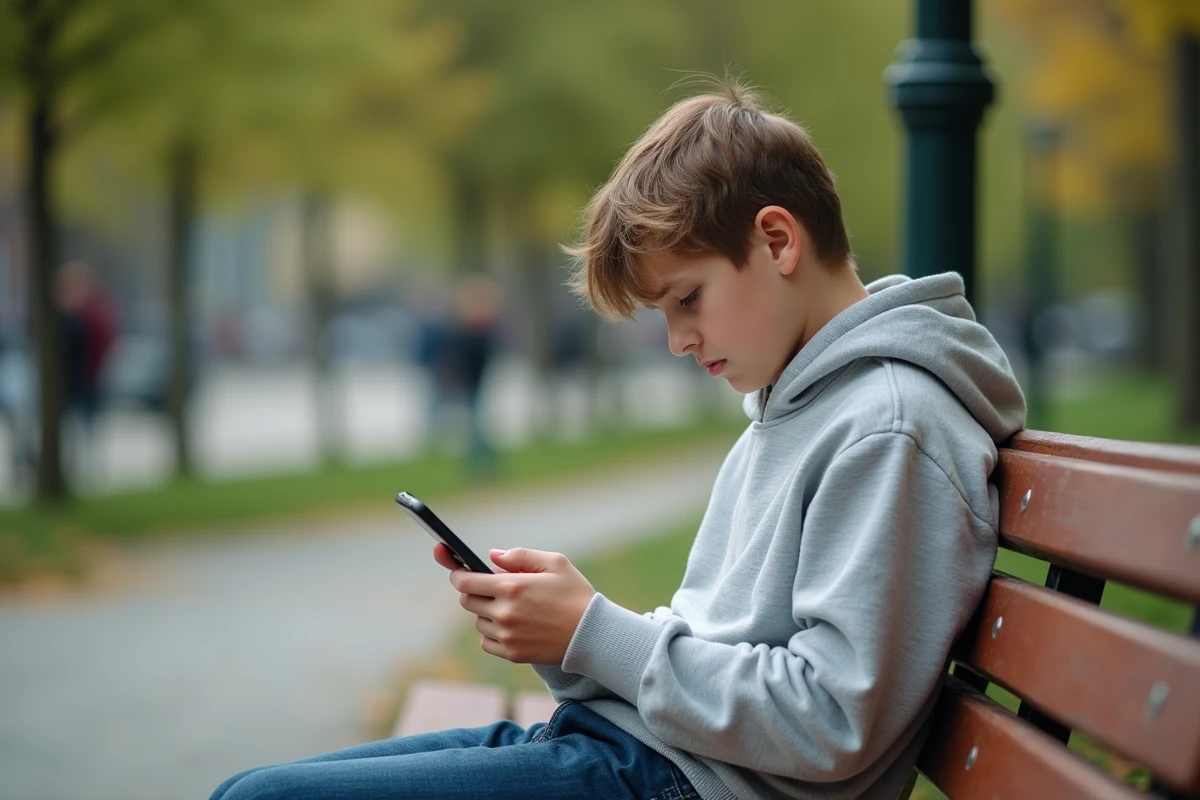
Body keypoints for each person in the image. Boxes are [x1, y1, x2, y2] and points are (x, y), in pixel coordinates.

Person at [210, 78, 1026, 800]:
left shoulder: (887, 425)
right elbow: (719, 643)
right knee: (246, 791)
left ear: (778, 241)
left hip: (683, 781)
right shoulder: (801, 401)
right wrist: (567, 638)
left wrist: (595, 631)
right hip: (644, 753)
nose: (677, 340)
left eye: (687, 300)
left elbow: (830, 720)